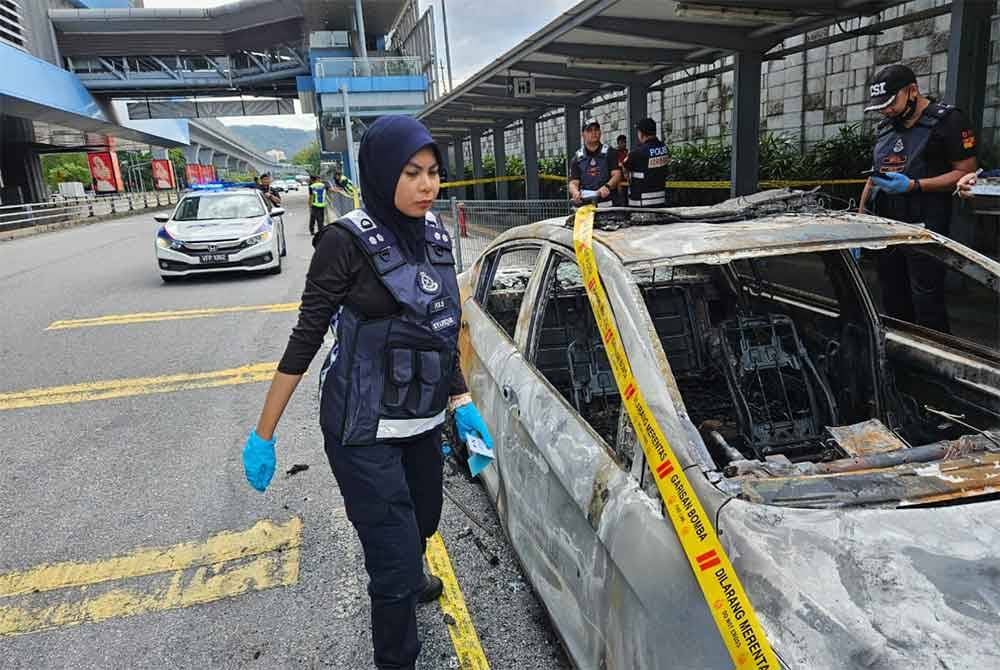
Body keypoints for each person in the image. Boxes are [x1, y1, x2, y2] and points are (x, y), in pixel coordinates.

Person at [241, 115, 494, 670]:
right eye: (412, 173)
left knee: (423, 520)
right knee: (392, 559)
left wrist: (461, 400)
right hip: (361, 427)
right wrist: (264, 433)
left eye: (433, 173)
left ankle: (411, 568)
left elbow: (442, 326)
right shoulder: (344, 243)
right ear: (382, 175)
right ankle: (397, 653)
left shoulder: (434, 235)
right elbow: (306, 337)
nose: (427, 185)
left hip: (420, 422)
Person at [857, 64, 978, 333]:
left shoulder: (948, 121)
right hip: (886, 225)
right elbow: (874, 175)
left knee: (926, 298)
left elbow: (965, 172)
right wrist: (861, 217)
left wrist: (915, 185)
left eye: (890, 103)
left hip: (925, 222)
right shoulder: (886, 127)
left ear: (912, 91)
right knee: (892, 295)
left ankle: (937, 362)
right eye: (880, 106)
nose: (886, 111)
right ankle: (903, 359)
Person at [568, 118, 622, 208]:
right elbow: (573, 182)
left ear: (600, 132)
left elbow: (617, 175)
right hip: (586, 207)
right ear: (583, 135)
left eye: (596, 129)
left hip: (607, 205)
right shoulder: (577, 158)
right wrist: (575, 192)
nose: (594, 133)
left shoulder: (610, 152)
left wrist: (607, 186)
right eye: (589, 130)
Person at [623, 118, 669, 208]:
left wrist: (628, 177)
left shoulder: (638, 152)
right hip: (661, 201)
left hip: (642, 203)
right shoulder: (664, 149)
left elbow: (625, 166)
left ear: (642, 133)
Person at [614, 134, 629, 206]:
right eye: (622, 142)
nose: (624, 144)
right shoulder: (615, 153)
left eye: (625, 142)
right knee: (621, 199)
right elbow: (618, 165)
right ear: (618, 143)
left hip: (627, 180)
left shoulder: (626, 152)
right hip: (619, 181)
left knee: (626, 199)